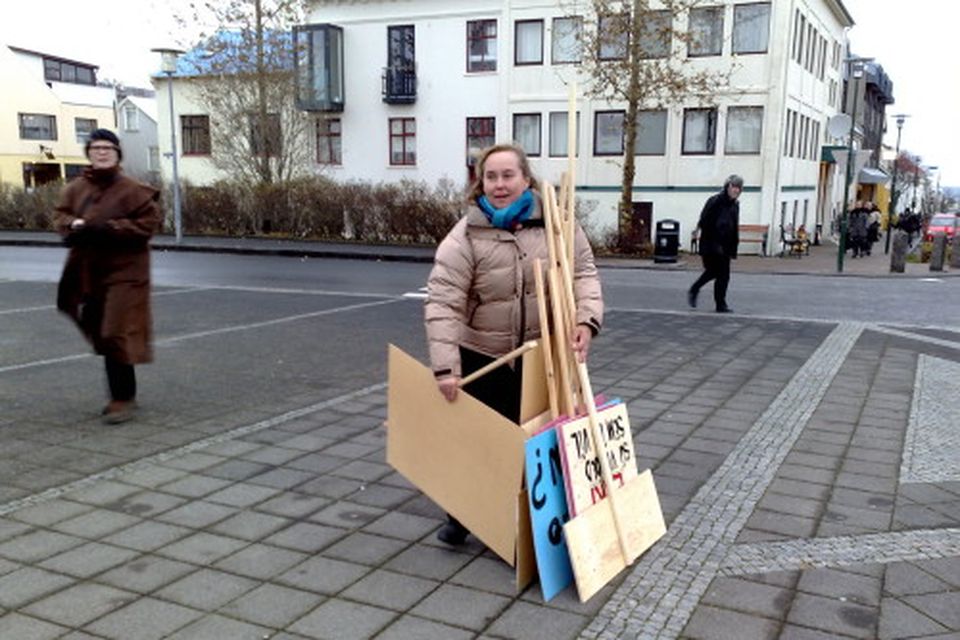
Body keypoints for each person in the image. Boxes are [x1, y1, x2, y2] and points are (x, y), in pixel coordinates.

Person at [424, 143, 603, 545]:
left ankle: (532, 524)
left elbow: (584, 274)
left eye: (508, 175)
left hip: (543, 356)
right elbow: (443, 302)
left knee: (536, 441)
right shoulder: (466, 234)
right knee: (477, 440)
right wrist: (446, 368)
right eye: (491, 176)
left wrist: (585, 321)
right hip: (483, 354)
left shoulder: (557, 224)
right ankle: (463, 515)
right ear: (480, 182)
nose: (500, 185)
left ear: (526, 179)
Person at [54, 129, 162, 424]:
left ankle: (122, 398)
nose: (102, 152)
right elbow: (60, 216)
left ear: (117, 154)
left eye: (108, 148)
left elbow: (148, 224)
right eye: (96, 148)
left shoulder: (132, 188)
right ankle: (123, 393)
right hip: (90, 271)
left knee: (115, 329)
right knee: (102, 331)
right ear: (88, 153)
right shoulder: (76, 188)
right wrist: (73, 224)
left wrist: (111, 228)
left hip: (127, 271)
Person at [687, 175, 742, 313]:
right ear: (727, 186)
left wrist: (734, 243)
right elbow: (704, 218)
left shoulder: (735, 205)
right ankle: (717, 302)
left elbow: (734, 225)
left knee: (719, 274)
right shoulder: (715, 201)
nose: (736, 190)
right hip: (712, 242)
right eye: (734, 187)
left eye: (739, 188)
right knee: (719, 273)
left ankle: (703, 293)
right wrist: (698, 230)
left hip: (726, 244)